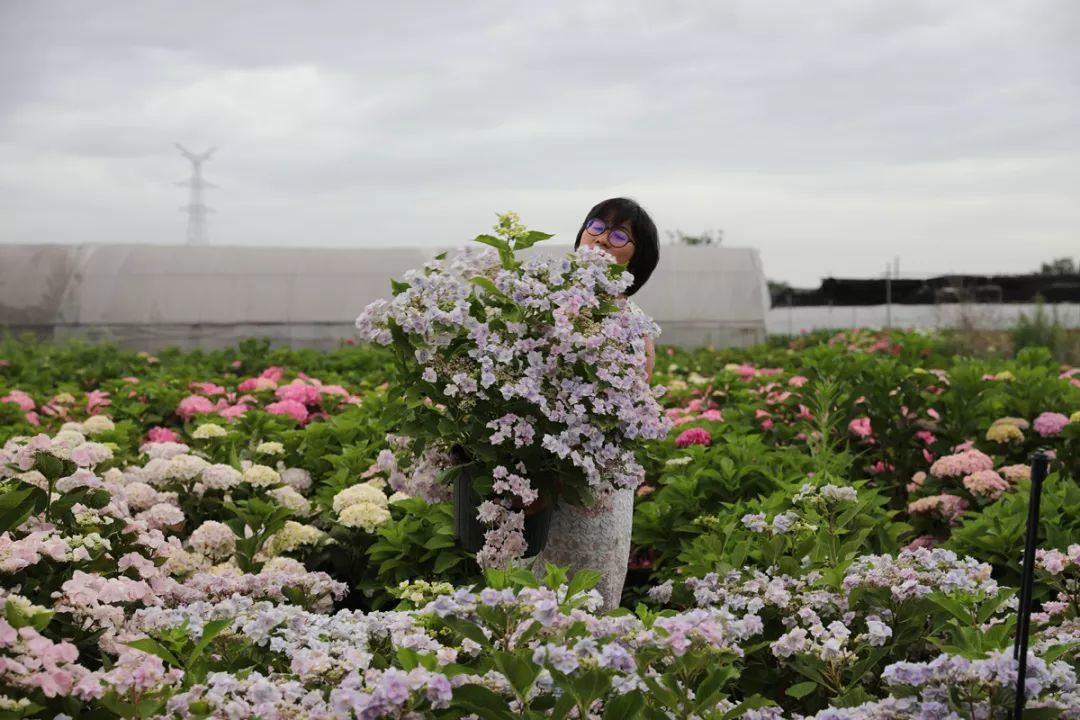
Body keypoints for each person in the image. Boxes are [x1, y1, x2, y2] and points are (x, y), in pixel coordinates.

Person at [531, 197, 661, 611]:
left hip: (602, 476)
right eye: (597, 227)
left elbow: (636, 399)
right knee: (534, 594)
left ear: (635, 259)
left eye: (620, 235)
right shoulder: (544, 300)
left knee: (594, 592)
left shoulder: (635, 323)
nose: (604, 240)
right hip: (543, 467)